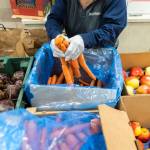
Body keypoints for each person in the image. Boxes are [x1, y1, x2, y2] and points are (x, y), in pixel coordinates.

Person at [45, 0, 127, 61]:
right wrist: (56, 36)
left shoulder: (117, 1)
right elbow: (54, 19)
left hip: (102, 54)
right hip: (72, 51)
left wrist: (84, 39)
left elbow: (112, 28)